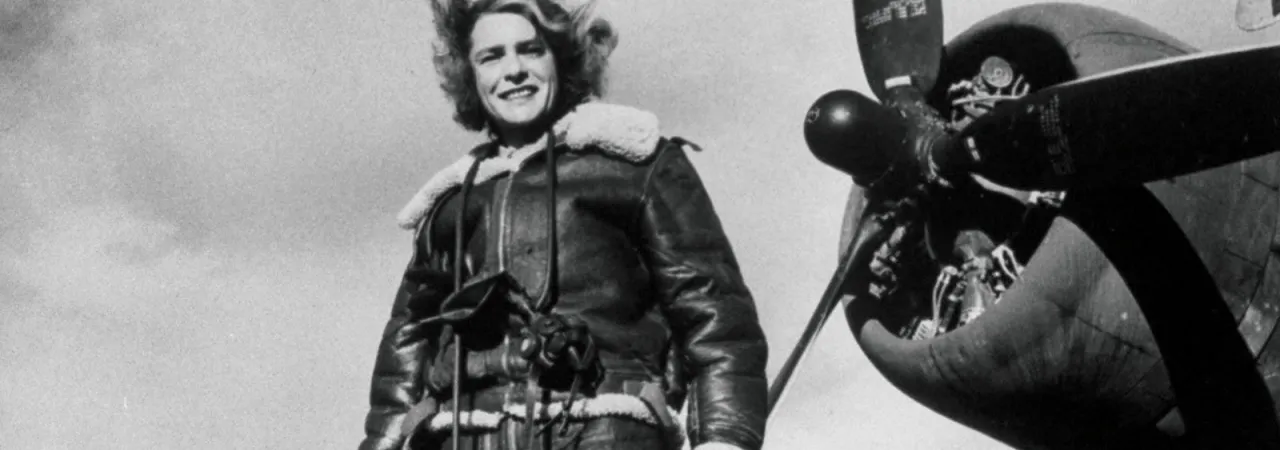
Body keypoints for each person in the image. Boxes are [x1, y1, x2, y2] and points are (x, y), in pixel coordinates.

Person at [356, 1, 769, 449]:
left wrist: (725, 439)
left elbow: (717, 319)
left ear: (560, 58)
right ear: (470, 75)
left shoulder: (636, 165)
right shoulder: (448, 204)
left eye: (530, 50)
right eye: (491, 56)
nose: (513, 70)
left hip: (606, 434)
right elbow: (406, 350)